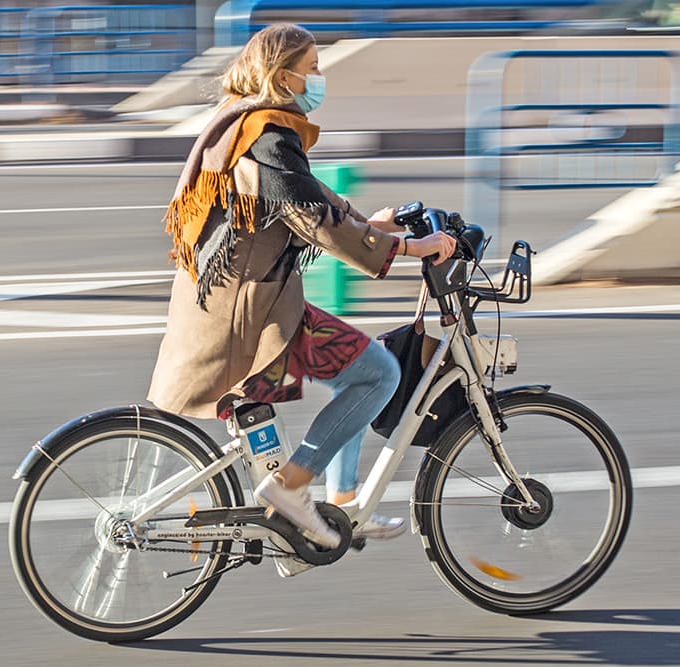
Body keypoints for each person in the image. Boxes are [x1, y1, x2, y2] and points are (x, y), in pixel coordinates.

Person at [147, 23, 457, 567]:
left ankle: (339, 502)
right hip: (249, 313)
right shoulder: (267, 133)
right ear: (283, 73)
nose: (319, 78)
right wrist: (412, 248)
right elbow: (314, 220)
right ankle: (291, 488)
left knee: (360, 373)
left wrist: (374, 225)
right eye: (312, 67)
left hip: (237, 300)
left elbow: (310, 194)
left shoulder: (244, 120)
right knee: (379, 373)